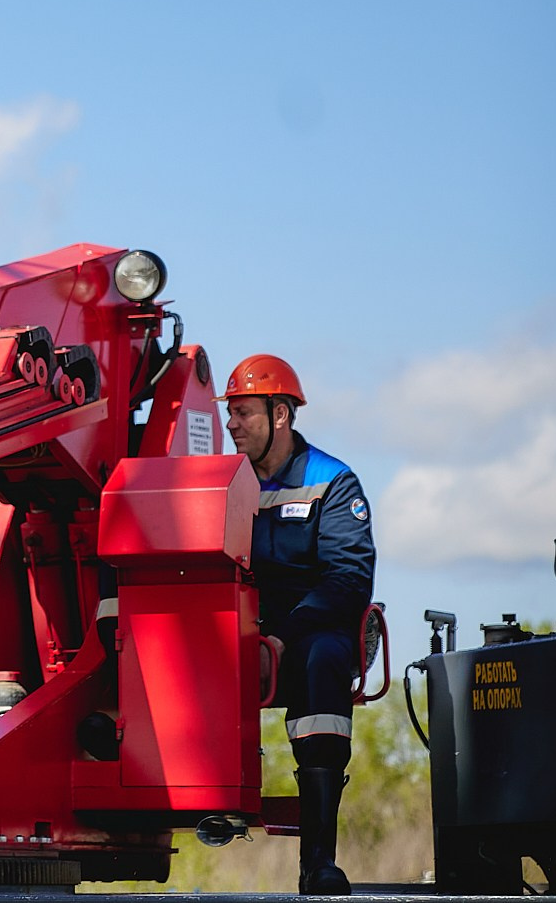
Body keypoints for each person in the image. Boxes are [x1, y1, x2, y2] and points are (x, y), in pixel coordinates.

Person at [221, 354, 375, 896]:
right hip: (238, 635)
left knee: (323, 660)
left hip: (311, 635)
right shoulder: (218, 484)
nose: (232, 424)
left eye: (243, 413)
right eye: (229, 414)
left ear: (280, 414)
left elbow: (348, 581)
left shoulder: (332, 482)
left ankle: (318, 864)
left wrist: (280, 640)